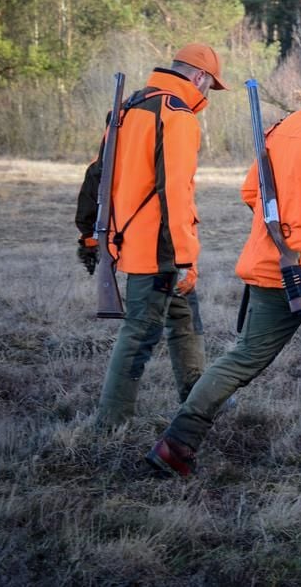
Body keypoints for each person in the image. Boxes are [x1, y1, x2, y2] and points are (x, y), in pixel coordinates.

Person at [147, 54, 301, 478]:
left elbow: (249, 191)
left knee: (243, 357)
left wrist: (283, 233)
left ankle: (175, 444)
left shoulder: (284, 127)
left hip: (272, 267)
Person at [75, 43, 228, 428]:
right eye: (210, 84)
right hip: (160, 247)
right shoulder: (176, 116)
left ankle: (197, 411)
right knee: (139, 334)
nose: (208, 92)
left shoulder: (126, 108)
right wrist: (185, 260)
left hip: (130, 240)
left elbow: (96, 175)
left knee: (184, 322)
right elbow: (175, 193)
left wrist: (90, 236)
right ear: (199, 77)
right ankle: (109, 426)